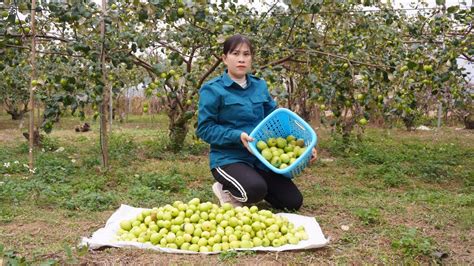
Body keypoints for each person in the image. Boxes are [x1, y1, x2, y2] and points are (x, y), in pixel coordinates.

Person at [196, 34, 317, 211]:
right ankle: (225, 189)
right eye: (235, 54)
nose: (241, 59)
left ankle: (254, 183)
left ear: (251, 58)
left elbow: (276, 117)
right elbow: (205, 129)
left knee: (292, 202)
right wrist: (237, 136)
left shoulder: (259, 86)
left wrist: (305, 146)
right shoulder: (213, 89)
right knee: (254, 190)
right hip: (229, 158)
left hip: (260, 158)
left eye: (246, 54)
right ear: (224, 58)